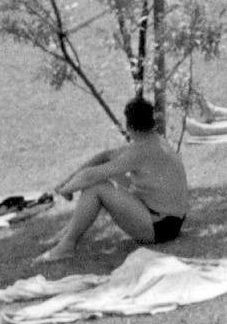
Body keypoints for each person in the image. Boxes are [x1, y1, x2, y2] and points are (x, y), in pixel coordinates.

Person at [40, 96, 189, 261]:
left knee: (96, 186)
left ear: (130, 126)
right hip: (170, 222)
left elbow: (91, 175)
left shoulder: (140, 151)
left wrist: (63, 190)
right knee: (103, 174)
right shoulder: (153, 141)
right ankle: (68, 236)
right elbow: (105, 156)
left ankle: (66, 245)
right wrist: (67, 182)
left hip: (161, 227)